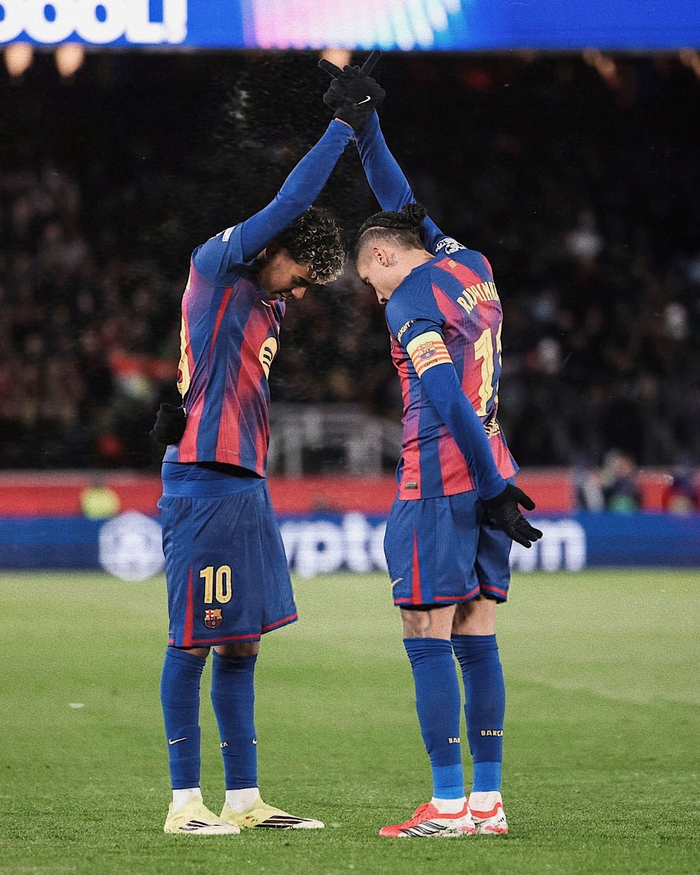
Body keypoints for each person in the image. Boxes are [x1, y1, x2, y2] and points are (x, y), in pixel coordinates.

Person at [150, 55, 385, 835]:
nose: (302, 289)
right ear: (277, 248)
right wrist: (344, 126)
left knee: (241, 643)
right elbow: (291, 201)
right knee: (193, 640)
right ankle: (184, 803)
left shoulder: (267, 301)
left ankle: (244, 799)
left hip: (244, 483)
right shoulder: (220, 264)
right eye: (302, 273)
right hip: (204, 480)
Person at [319, 59, 542, 838]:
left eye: (368, 279)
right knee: (478, 631)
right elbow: (401, 201)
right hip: (493, 463)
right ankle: (487, 803)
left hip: (442, 478)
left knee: (426, 634)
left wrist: (485, 486)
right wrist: (367, 124)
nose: (373, 294)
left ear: (383, 258)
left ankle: (446, 806)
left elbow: (444, 397)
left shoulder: (409, 298)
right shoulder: (467, 262)